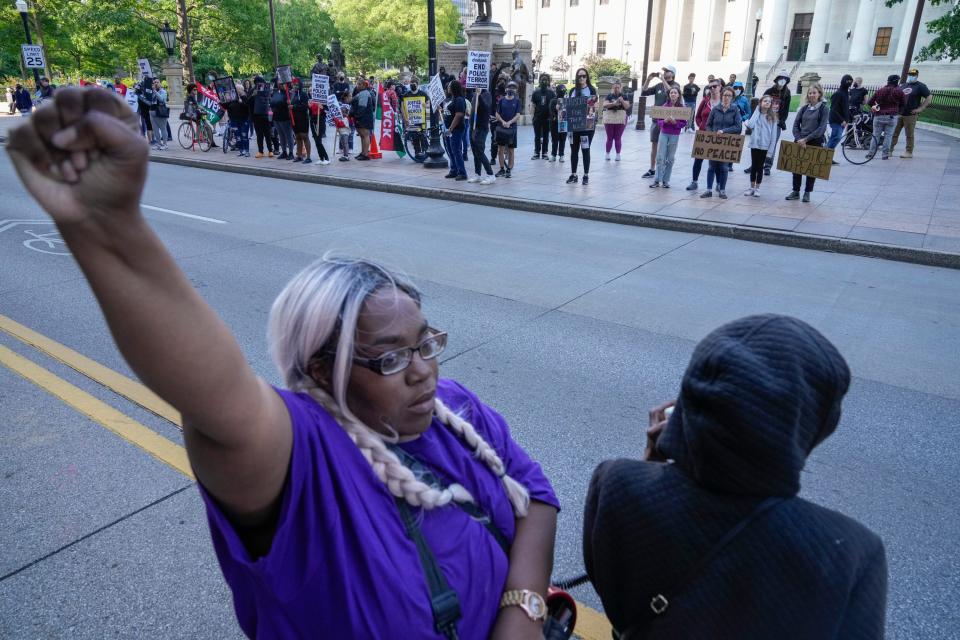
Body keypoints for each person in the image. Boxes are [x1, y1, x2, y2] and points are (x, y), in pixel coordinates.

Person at [6, 86, 560, 640]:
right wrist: (111, 225)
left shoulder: (454, 406)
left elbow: (535, 497)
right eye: (390, 357)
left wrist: (522, 609)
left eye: (425, 344)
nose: (423, 371)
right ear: (322, 370)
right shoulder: (304, 454)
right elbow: (213, 391)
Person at [583, 314, 888, 640]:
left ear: (690, 396)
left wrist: (654, 461)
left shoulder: (615, 484)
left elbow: (618, 598)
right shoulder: (851, 555)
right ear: (813, 423)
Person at [786, 84, 828, 203]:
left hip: (814, 141)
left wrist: (806, 139)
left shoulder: (824, 109)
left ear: (819, 94)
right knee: (797, 167)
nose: (812, 95)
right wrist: (799, 138)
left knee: (811, 168)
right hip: (799, 141)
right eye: (810, 93)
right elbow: (795, 125)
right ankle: (795, 191)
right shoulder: (804, 108)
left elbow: (821, 128)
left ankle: (807, 192)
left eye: (814, 93)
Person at [700, 86, 741, 200]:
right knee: (711, 166)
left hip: (726, 143)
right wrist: (711, 134)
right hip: (714, 142)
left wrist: (724, 131)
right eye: (724, 95)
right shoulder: (715, 109)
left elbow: (738, 127)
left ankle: (722, 190)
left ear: (732, 98)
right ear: (721, 96)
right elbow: (708, 124)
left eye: (729, 95)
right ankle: (708, 190)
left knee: (724, 167)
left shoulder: (735, 110)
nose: (726, 97)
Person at [640, 65, 681, 178]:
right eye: (664, 71)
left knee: (666, 147)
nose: (664, 72)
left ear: (672, 74)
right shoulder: (658, 85)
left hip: (669, 121)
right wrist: (648, 79)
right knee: (654, 145)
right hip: (657, 119)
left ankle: (663, 170)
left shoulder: (675, 85)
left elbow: (670, 92)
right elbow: (644, 91)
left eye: (667, 71)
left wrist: (662, 79)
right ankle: (652, 169)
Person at [565, 68, 598, 186]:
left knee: (585, 149)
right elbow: (567, 107)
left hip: (587, 126)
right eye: (579, 76)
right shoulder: (573, 91)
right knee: (574, 150)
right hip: (574, 126)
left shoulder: (591, 90)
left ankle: (586, 175)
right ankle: (573, 174)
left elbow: (595, 107)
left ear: (587, 77)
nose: (582, 78)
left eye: (584, 76)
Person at [891, 68, 932, 159]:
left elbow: (929, 97)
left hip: (910, 114)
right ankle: (889, 150)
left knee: (909, 134)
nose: (911, 76)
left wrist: (921, 108)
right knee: (894, 133)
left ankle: (909, 152)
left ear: (917, 76)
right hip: (899, 113)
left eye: (913, 75)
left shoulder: (920, 86)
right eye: (910, 74)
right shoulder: (903, 85)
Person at [687, 80, 720, 192]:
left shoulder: (724, 101)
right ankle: (694, 181)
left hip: (718, 136)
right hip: (704, 134)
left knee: (716, 161)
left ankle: (719, 184)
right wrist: (701, 125)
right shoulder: (705, 101)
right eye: (710, 87)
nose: (712, 89)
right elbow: (697, 116)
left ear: (720, 87)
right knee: (698, 159)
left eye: (715, 86)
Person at [651, 87, 686, 188]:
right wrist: (664, 121)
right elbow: (659, 121)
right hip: (664, 133)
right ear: (669, 95)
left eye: (675, 93)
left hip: (674, 135)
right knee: (660, 157)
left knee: (670, 158)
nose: (673, 94)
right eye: (671, 93)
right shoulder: (665, 106)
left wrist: (676, 123)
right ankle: (657, 180)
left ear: (678, 95)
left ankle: (666, 180)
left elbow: (684, 123)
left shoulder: (682, 108)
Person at [744, 95, 778, 197]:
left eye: (769, 102)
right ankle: (751, 187)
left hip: (765, 146)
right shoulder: (757, 114)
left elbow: (773, 135)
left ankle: (757, 188)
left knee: (760, 167)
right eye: (765, 101)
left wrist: (770, 151)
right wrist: (757, 111)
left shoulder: (772, 117)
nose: (767, 103)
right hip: (755, 145)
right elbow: (750, 125)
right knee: (753, 166)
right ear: (760, 103)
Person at [867, 75, 906, 161]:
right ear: (896, 81)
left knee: (875, 135)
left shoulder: (880, 90)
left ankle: (871, 153)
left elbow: (870, 102)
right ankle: (885, 155)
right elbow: (904, 104)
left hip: (879, 116)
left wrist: (875, 107)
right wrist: (898, 111)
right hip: (892, 116)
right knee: (888, 136)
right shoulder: (899, 92)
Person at [759, 71, 791, 175]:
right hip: (765, 120)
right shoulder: (769, 91)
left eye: (785, 79)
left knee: (772, 143)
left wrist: (782, 121)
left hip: (776, 122)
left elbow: (786, 109)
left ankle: (767, 166)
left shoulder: (787, 93)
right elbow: (761, 104)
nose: (782, 81)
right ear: (777, 80)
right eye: (781, 78)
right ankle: (757, 163)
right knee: (761, 142)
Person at [468, 88, 497, 184]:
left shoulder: (486, 94)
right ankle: (478, 174)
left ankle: (490, 174)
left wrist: (479, 95)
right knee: (475, 152)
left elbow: (485, 107)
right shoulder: (475, 94)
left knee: (479, 151)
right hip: (473, 127)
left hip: (481, 128)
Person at [495, 81, 522, 179]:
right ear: (506, 89)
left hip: (512, 128)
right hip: (502, 127)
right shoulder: (501, 100)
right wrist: (502, 122)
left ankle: (509, 169)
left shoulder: (517, 101)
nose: (511, 89)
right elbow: (497, 114)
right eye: (509, 87)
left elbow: (518, 115)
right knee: (500, 149)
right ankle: (502, 168)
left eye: (513, 88)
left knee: (511, 150)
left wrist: (509, 122)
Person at [443, 80, 469, 181]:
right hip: (450, 130)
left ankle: (462, 172)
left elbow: (459, 115)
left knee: (456, 150)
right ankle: (453, 170)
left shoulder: (459, 99)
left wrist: (451, 128)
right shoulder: (453, 99)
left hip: (456, 129)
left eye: (449, 86)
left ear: (454, 88)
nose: (448, 88)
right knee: (450, 150)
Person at [826, 75, 853, 163]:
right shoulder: (838, 93)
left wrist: (850, 117)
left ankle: (828, 156)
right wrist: (842, 120)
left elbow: (845, 107)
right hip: (836, 120)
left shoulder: (845, 93)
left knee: (836, 138)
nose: (849, 84)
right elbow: (833, 109)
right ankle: (825, 156)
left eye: (850, 82)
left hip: (842, 121)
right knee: (835, 137)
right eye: (847, 82)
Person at [603, 80, 629, 161]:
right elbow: (605, 105)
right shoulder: (609, 96)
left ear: (620, 88)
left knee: (618, 137)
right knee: (609, 137)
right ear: (612, 88)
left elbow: (627, 106)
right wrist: (613, 104)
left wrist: (622, 101)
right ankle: (607, 153)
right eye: (615, 87)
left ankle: (618, 154)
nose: (616, 89)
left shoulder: (624, 96)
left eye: (618, 87)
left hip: (621, 118)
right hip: (610, 118)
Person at [530, 74, 555, 160]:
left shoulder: (551, 93)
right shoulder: (535, 93)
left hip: (547, 118)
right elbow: (533, 105)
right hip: (537, 118)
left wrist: (553, 116)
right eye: (542, 80)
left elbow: (554, 105)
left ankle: (544, 153)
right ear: (539, 81)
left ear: (548, 81)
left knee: (546, 136)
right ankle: (536, 152)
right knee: (537, 136)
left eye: (546, 80)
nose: (544, 81)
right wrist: (532, 117)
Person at [290, 79, 313, 164]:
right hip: (295, 119)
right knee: (298, 137)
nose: (295, 86)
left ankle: (308, 157)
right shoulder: (293, 94)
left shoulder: (303, 94)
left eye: (296, 85)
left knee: (304, 137)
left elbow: (305, 106)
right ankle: (299, 155)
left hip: (303, 119)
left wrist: (293, 107)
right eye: (294, 85)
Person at [271, 80, 295, 160]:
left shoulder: (289, 93)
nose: (280, 85)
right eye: (279, 83)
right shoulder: (276, 92)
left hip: (285, 117)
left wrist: (289, 102)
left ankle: (291, 152)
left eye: (281, 83)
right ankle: (284, 151)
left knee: (288, 135)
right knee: (281, 136)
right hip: (276, 117)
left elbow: (291, 104)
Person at [251, 76, 274, 158]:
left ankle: (270, 150)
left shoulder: (266, 89)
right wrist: (253, 95)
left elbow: (270, 100)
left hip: (266, 115)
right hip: (257, 116)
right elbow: (248, 102)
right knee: (259, 135)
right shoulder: (253, 90)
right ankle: (261, 151)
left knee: (267, 134)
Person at [308, 93, 331, 165]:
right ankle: (321, 158)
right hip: (313, 122)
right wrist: (309, 106)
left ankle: (326, 158)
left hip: (320, 121)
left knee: (318, 140)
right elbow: (310, 113)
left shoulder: (323, 101)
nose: (312, 92)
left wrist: (322, 108)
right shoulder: (311, 100)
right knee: (316, 140)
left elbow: (328, 111)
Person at [548, 84, 567, 163]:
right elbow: (551, 112)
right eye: (561, 90)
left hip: (564, 123)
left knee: (563, 139)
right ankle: (553, 155)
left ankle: (561, 155)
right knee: (555, 139)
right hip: (555, 123)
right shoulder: (553, 100)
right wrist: (556, 113)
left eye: (563, 90)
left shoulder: (567, 101)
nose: (562, 92)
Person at [149, 78, 169, 151]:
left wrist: (154, 91)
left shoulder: (163, 91)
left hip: (160, 111)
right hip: (152, 111)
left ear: (160, 83)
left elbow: (161, 99)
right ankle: (158, 143)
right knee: (155, 129)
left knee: (163, 128)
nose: (156, 83)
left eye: (157, 82)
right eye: (154, 82)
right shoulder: (151, 92)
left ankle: (165, 144)